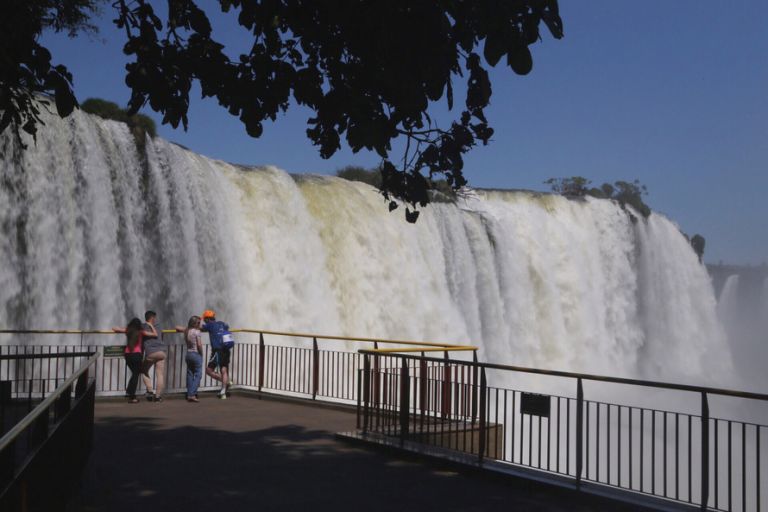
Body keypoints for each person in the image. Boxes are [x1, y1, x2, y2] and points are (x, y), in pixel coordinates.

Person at [112, 317, 156, 403]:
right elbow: (154, 334)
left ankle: (129, 392)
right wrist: (151, 325)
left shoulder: (128, 330)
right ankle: (131, 396)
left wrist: (125, 329)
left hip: (127, 355)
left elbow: (114, 328)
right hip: (137, 355)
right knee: (136, 375)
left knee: (134, 374)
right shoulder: (141, 332)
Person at [201, 309, 234, 399]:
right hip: (226, 349)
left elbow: (200, 328)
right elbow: (227, 327)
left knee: (209, 370)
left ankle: (227, 382)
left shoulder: (209, 325)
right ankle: (223, 392)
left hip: (217, 351)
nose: (204, 321)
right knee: (224, 370)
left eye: (204, 319)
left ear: (207, 319)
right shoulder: (222, 323)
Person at [140, 310, 167, 402]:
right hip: (161, 352)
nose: (155, 319)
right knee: (160, 374)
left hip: (151, 352)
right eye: (155, 317)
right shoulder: (159, 326)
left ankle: (150, 390)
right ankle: (158, 397)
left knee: (143, 370)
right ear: (152, 318)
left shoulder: (142, 326)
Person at [176, 315, 204, 402]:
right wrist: (201, 353)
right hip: (196, 354)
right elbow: (199, 344)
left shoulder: (187, 330)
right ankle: (192, 394)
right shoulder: (197, 332)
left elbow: (177, 327)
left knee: (190, 374)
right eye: (198, 323)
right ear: (194, 324)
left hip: (188, 354)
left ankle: (189, 394)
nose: (200, 324)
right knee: (198, 375)